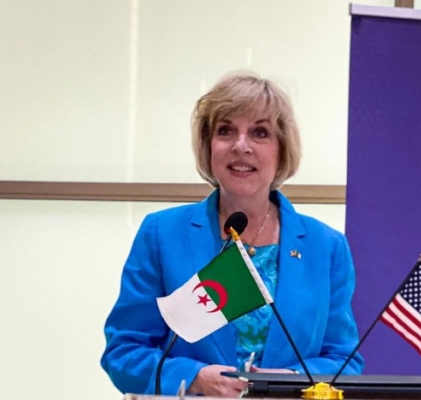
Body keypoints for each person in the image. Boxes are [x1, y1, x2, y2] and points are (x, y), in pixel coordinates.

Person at [101, 72, 364, 397]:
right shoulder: (161, 234)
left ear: (281, 149)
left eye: (259, 133)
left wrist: (291, 381)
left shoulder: (327, 246)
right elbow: (124, 353)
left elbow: (344, 361)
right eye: (225, 130)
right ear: (208, 146)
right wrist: (195, 377)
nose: (241, 146)